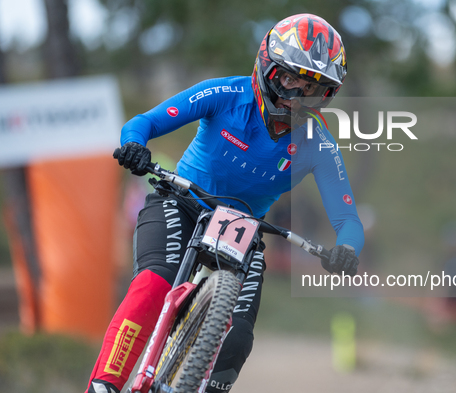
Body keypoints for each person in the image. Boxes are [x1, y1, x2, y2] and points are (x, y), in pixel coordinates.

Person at [86, 13, 364, 393]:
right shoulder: (224, 95)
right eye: (289, 80)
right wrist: (135, 144)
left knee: (237, 339)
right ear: (268, 68)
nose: (296, 97)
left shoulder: (320, 143)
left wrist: (347, 249)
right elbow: (144, 122)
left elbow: (348, 218)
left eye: (311, 90)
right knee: (154, 284)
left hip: (245, 231)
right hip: (182, 202)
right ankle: (103, 385)